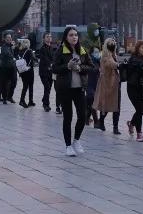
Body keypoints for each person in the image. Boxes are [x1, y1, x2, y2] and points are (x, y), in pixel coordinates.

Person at [54, 26, 93, 156]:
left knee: (82, 115)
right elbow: (54, 68)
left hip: (79, 88)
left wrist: (80, 68)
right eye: (71, 35)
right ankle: (68, 146)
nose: (74, 37)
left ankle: (76, 140)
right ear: (66, 37)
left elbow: (92, 67)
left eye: (76, 35)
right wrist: (67, 66)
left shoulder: (82, 50)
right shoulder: (61, 51)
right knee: (68, 117)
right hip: (65, 89)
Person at [92, 37, 122, 134]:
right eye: (110, 43)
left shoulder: (114, 55)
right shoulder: (105, 56)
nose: (113, 44)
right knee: (106, 104)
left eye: (114, 42)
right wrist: (119, 65)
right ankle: (101, 122)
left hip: (115, 84)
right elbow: (111, 64)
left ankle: (115, 127)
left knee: (116, 106)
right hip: (107, 84)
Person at [122, 41, 143, 142]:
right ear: (137, 48)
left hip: (141, 88)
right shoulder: (133, 59)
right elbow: (141, 64)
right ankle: (139, 134)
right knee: (140, 110)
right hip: (132, 88)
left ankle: (132, 123)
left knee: (141, 110)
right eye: (142, 48)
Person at [37, 31, 57, 112]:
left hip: (51, 72)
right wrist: (51, 64)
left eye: (50, 36)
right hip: (44, 72)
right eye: (47, 36)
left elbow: (54, 58)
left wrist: (54, 64)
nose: (49, 38)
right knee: (47, 87)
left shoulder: (52, 48)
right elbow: (45, 60)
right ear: (44, 39)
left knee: (48, 88)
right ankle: (46, 105)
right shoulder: (42, 49)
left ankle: (44, 100)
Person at [0, 31, 17, 104]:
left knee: (14, 82)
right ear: (5, 39)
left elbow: (15, 55)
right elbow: (7, 53)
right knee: (4, 83)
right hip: (5, 68)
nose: (9, 39)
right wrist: (13, 56)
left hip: (12, 68)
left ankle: (10, 96)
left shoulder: (11, 46)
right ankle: (5, 98)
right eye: (8, 37)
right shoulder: (4, 47)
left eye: (10, 37)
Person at [15, 38, 36, 108]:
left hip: (22, 71)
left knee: (25, 86)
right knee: (30, 86)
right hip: (29, 71)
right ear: (28, 44)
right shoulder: (29, 51)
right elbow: (32, 59)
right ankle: (24, 100)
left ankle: (28, 101)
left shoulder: (20, 51)